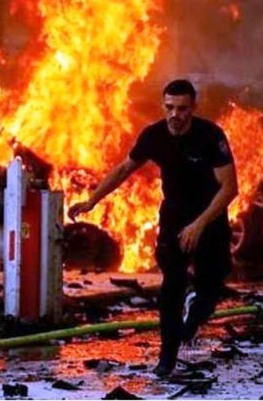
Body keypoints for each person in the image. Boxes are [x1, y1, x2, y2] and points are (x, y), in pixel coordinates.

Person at [68, 79, 238, 376]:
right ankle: (167, 358)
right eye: (170, 107)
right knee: (171, 287)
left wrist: (199, 225)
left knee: (212, 284)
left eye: (182, 109)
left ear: (193, 108)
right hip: (173, 219)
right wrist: (91, 200)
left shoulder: (210, 136)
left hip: (209, 221)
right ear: (164, 106)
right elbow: (124, 169)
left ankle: (195, 315)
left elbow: (229, 188)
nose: (175, 115)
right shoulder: (154, 135)